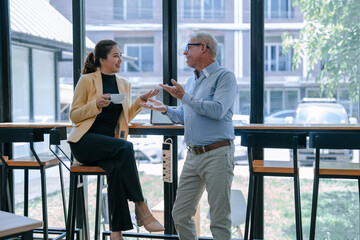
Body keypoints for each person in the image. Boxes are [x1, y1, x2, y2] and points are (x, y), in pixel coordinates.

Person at [141, 32, 238, 239]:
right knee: (180, 213)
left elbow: (218, 110)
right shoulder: (192, 81)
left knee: (219, 220)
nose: (185, 52)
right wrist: (165, 109)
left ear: (203, 48)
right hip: (193, 156)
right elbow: (187, 116)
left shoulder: (225, 77)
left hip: (218, 154)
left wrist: (185, 96)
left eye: (188, 47)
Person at [67, 39, 164, 240]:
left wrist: (140, 101)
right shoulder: (87, 80)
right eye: (115, 56)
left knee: (116, 170)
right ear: (102, 60)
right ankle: (141, 207)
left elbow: (124, 116)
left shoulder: (124, 84)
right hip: (84, 143)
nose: (120, 59)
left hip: (108, 146)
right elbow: (74, 115)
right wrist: (96, 104)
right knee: (126, 147)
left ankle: (116, 233)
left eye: (120, 55)